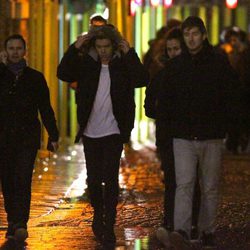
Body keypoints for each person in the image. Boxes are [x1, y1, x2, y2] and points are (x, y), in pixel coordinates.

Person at [57, 25, 148, 248]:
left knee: (111, 177)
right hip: (90, 131)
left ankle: (109, 224)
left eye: (107, 46)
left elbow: (141, 78)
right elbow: (63, 73)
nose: (103, 51)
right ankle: (99, 214)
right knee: (95, 179)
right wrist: (74, 47)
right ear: (94, 47)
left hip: (114, 131)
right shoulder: (87, 64)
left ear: (113, 46)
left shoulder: (121, 64)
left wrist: (130, 53)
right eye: (99, 47)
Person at [155, 16, 240, 249]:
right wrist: (165, 136)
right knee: (185, 184)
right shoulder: (175, 67)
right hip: (182, 136)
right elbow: (166, 104)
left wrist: (227, 127)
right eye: (187, 34)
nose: (191, 39)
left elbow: (232, 95)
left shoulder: (218, 62)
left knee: (210, 186)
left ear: (203, 35)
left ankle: (207, 231)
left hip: (211, 136)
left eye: (194, 34)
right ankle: (181, 229)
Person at [144, 27, 200, 248]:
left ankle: (190, 224)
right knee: (172, 180)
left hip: (190, 136)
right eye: (170, 49)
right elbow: (149, 106)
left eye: (177, 48)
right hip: (168, 136)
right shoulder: (161, 75)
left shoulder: (194, 74)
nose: (173, 52)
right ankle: (170, 221)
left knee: (190, 180)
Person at [0, 34, 59, 242]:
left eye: (18, 48)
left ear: (25, 51)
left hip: (27, 138)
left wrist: (53, 134)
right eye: (11, 48)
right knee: (7, 180)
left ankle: (20, 222)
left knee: (23, 178)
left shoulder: (35, 78)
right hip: (4, 138)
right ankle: (12, 219)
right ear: (6, 51)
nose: (15, 52)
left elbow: (45, 108)